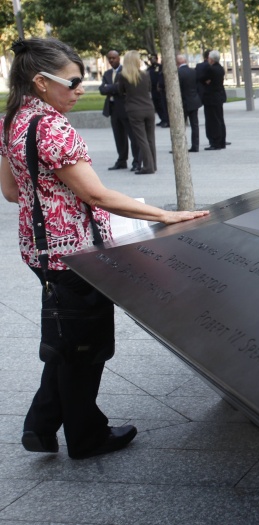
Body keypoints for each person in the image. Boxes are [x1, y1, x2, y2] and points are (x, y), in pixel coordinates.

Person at [0, 37, 208, 460]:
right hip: (75, 253)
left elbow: (10, 191)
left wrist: (50, 200)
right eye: (73, 82)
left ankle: (42, 425)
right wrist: (166, 216)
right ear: (41, 82)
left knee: (67, 337)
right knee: (84, 346)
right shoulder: (54, 127)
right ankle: (86, 437)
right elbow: (97, 195)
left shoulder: (13, 120)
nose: (82, 89)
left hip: (38, 248)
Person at [98, 50, 139, 171]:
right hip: (113, 109)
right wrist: (112, 88)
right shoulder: (107, 73)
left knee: (133, 136)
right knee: (119, 136)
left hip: (126, 108)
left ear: (119, 58)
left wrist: (110, 88)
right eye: (109, 58)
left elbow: (120, 88)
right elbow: (102, 89)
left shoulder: (125, 72)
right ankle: (122, 160)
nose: (111, 60)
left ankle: (136, 161)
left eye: (113, 58)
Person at [117, 51, 156, 174]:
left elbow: (120, 91)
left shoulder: (123, 76)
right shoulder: (146, 75)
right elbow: (149, 89)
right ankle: (153, 164)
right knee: (150, 138)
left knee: (142, 139)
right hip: (149, 108)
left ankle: (147, 166)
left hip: (134, 109)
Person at [201, 50, 227, 150]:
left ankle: (215, 142)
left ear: (210, 59)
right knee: (219, 119)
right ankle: (221, 141)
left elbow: (204, 79)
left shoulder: (211, 69)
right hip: (218, 96)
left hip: (211, 98)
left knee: (213, 120)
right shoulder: (220, 68)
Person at [176, 55, 202, 152]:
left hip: (183, 102)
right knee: (194, 124)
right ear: (185, 61)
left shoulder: (178, 73)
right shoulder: (193, 71)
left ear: (177, 63)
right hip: (194, 100)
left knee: (180, 125)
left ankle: (180, 146)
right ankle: (195, 146)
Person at [147, 54, 169, 128]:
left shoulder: (160, 67)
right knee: (156, 105)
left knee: (162, 105)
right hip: (152, 89)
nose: (152, 60)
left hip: (159, 89)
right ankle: (162, 119)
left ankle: (165, 119)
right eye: (150, 59)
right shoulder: (149, 69)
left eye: (153, 58)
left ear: (156, 59)